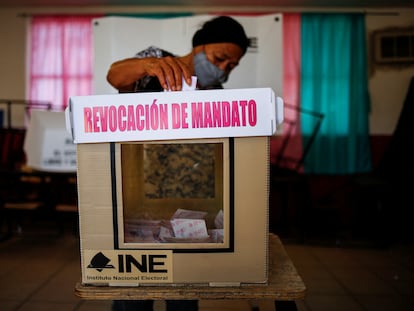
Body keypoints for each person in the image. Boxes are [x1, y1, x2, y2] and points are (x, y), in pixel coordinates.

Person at [107, 15, 249, 311]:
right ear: (198, 47)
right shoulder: (156, 60)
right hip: (141, 195)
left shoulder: (214, 94)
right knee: (136, 287)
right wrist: (149, 66)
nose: (223, 70)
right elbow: (115, 76)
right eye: (220, 58)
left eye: (231, 66)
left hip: (191, 198)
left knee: (184, 288)